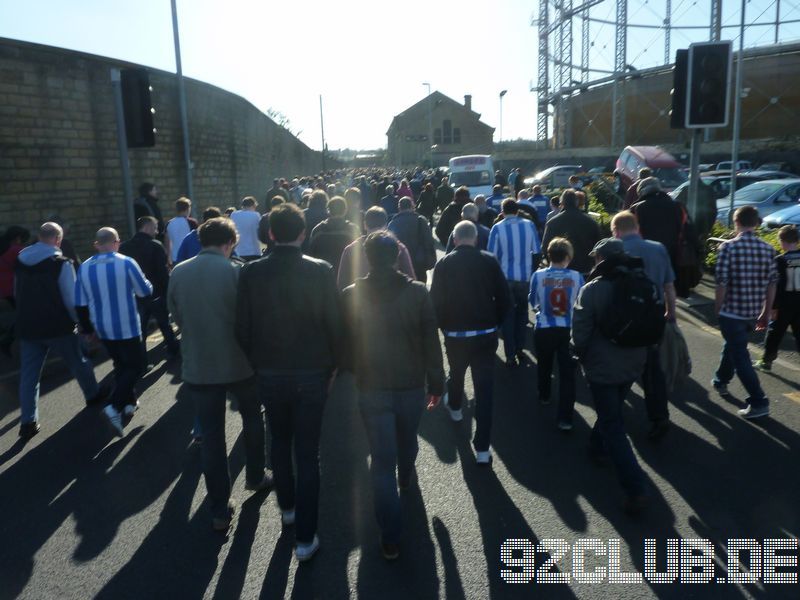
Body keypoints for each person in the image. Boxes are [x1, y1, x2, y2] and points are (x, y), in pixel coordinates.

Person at [235, 203, 342, 562]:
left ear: (269, 234)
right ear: (302, 233)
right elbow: (335, 326)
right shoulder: (322, 271)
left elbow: (242, 328)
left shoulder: (250, 273)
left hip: (269, 372)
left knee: (278, 442)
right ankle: (306, 539)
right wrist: (333, 368)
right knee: (308, 453)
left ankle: (288, 509)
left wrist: (256, 362)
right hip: (312, 373)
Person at [341, 231, 443, 560]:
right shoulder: (417, 293)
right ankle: (408, 472)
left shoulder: (351, 293)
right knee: (408, 439)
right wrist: (437, 383)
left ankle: (390, 537)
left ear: (367, 258)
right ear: (398, 256)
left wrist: (353, 368)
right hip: (411, 384)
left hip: (372, 386)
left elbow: (345, 342)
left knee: (380, 462)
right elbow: (431, 340)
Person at [168, 217, 272, 531]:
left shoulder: (180, 272)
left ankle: (218, 508)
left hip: (199, 365)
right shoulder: (238, 272)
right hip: (240, 363)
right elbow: (254, 319)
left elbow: (176, 315)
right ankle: (255, 475)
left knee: (212, 437)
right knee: (253, 418)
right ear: (230, 243)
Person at [571, 238, 648, 513]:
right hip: (635, 360)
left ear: (601, 259)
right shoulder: (641, 281)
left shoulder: (592, 289)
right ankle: (596, 445)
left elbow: (580, 331)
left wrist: (578, 354)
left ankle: (635, 487)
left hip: (602, 366)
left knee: (613, 423)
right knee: (611, 410)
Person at [431, 221, 510, 464]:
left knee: (456, 373)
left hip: (456, 335)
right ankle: (483, 449)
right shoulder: (489, 260)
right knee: (484, 390)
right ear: (475, 239)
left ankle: (455, 408)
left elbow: (435, 302)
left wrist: (443, 326)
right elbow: (505, 298)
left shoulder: (443, 263)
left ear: (454, 239)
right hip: (485, 334)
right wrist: (495, 323)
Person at [14, 222, 102, 439]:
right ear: (57, 239)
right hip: (58, 326)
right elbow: (71, 301)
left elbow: (17, 292)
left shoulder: (21, 261)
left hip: (28, 327)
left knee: (29, 375)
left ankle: (28, 421)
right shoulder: (60, 263)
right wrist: (83, 324)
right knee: (79, 361)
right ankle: (92, 396)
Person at [75, 227, 153, 437]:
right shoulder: (126, 262)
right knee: (137, 366)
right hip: (127, 326)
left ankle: (129, 402)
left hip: (102, 327)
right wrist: (148, 283)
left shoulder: (84, 267)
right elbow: (144, 291)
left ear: (96, 245)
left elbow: (80, 303)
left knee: (120, 364)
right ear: (117, 242)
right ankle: (113, 406)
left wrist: (88, 329)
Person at [611, 211, 676, 440]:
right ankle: (659, 416)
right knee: (652, 368)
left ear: (616, 230)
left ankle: (613, 418)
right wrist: (671, 315)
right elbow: (669, 285)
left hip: (624, 319)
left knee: (621, 366)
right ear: (637, 227)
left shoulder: (615, 251)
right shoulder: (658, 248)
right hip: (654, 315)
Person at [713, 206, 778, 419]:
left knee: (740, 355)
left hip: (731, 312)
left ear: (736, 222)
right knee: (733, 345)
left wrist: (717, 308)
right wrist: (765, 312)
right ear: (756, 223)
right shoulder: (768, 249)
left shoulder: (728, 248)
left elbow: (722, 283)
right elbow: (772, 284)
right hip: (752, 313)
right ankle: (721, 380)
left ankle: (759, 401)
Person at [528, 237, 583, 430]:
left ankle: (544, 395)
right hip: (568, 329)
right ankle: (565, 418)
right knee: (567, 374)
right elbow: (580, 304)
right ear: (568, 256)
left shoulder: (539, 275)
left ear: (549, 254)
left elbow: (533, 301)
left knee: (544, 364)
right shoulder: (577, 277)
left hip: (544, 328)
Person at [488, 199, 541, 367]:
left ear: (502, 212)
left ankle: (510, 354)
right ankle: (520, 348)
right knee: (522, 315)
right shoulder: (529, 225)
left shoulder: (497, 227)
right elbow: (537, 252)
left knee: (508, 316)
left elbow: (491, 256)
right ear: (517, 210)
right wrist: (531, 271)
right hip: (524, 277)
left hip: (505, 279)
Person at [119, 217, 180, 359]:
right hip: (156, 294)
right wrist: (168, 293)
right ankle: (173, 351)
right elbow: (162, 273)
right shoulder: (155, 245)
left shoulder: (124, 247)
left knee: (140, 330)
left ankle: (141, 361)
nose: (157, 231)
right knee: (165, 324)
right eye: (155, 227)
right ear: (146, 227)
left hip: (136, 296)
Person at [755, 225, 800, 371]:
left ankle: (766, 361)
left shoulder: (779, 260)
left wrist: (773, 307)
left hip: (784, 304)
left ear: (782, 241)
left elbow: (777, 286)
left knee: (775, 333)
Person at [337, 207, 415, 290]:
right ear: (386, 225)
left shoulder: (350, 249)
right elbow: (410, 281)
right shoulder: (399, 247)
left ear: (365, 225)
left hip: (361, 300)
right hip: (394, 299)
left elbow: (342, 284)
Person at [541, 189, 601, 275]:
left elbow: (545, 247)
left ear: (562, 203)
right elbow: (598, 246)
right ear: (577, 203)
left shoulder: (553, 222)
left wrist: (553, 263)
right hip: (584, 269)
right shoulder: (591, 222)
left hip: (561, 270)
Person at [630, 177, 684, 269]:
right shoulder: (677, 206)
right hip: (674, 255)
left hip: (645, 258)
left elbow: (630, 234)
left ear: (641, 192)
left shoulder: (636, 209)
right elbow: (684, 228)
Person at [387, 196, 435, 282]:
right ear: (412, 206)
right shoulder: (421, 220)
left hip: (400, 266)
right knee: (420, 289)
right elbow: (429, 242)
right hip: (419, 265)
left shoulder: (392, 223)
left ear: (399, 208)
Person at [308, 196, 361, 270]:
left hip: (322, 274)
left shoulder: (317, 230)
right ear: (345, 210)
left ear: (328, 210)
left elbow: (311, 255)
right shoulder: (353, 230)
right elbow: (359, 254)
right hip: (347, 274)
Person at [165, 197, 197, 265]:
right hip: (189, 257)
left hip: (175, 258)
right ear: (188, 209)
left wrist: (168, 259)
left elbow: (167, 243)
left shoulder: (169, 223)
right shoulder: (192, 222)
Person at [230, 196, 262, 261]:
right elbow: (260, 232)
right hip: (254, 251)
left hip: (238, 252)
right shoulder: (256, 215)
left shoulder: (233, 215)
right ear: (253, 206)